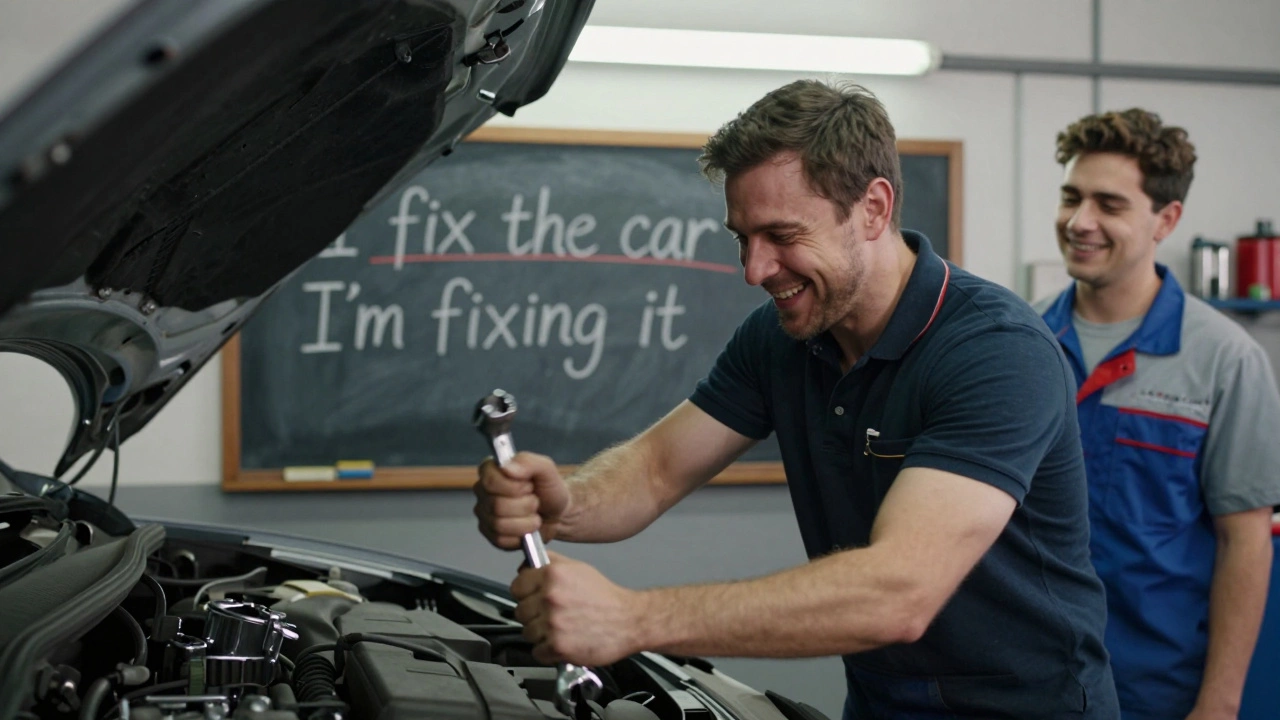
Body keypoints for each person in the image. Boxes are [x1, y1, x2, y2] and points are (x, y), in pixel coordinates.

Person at [475, 79, 1118, 718]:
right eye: (742, 239)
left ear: (873, 208)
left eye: (782, 235)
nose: (755, 270)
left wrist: (632, 618)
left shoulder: (997, 352)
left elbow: (898, 592)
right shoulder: (782, 337)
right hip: (881, 702)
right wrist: (566, 502)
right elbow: (656, 468)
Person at [1038, 109, 1280, 720]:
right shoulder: (1020, 341)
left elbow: (1246, 543)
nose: (1080, 221)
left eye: (1109, 204)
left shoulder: (1226, 360)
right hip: (1027, 681)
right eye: (1071, 197)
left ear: (1165, 219)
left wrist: (1219, 704)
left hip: (1155, 691)